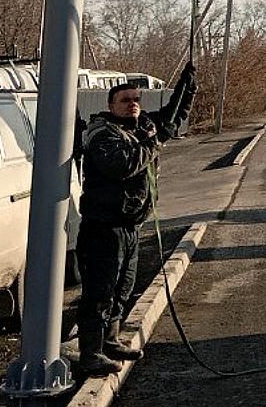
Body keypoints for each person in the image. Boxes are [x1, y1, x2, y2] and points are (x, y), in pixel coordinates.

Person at [76, 62, 196, 375]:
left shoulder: (143, 127)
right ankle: (90, 353)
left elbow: (172, 117)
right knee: (100, 292)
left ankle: (111, 340)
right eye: (125, 100)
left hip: (130, 226)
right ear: (111, 106)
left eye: (136, 99)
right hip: (104, 228)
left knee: (122, 288)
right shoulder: (101, 135)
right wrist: (155, 142)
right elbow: (125, 164)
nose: (133, 104)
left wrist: (187, 85)